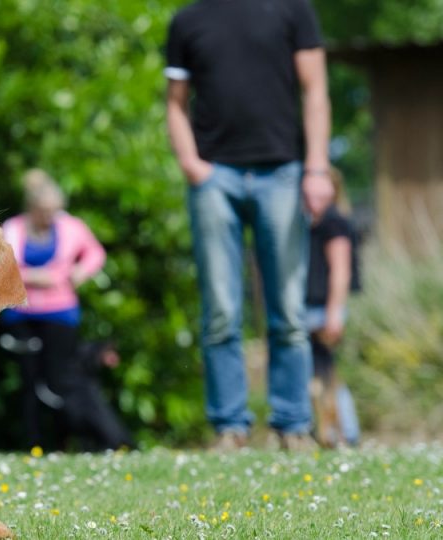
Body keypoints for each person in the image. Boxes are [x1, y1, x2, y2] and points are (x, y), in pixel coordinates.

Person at [165, 0, 335, 450]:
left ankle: (293, 424)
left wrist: (316, 167)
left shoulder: (293, 10)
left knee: (288, 311)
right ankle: (230, 428)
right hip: (214, 177)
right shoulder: (188, 20)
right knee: (221, 310)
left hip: (280, 172)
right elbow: (176, 104)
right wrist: (192, 165)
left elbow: (315, 88)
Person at [0, 169, 106, 450]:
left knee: (60, 382)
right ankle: (34, 444)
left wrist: (79, 272)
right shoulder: (13, 228)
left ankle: (66, 442)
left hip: (61, 314)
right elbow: (1, 267)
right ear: (31, 208)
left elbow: (96, 253)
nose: (49, 217)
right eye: (43, 211)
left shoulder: (71, 227)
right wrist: (36, 277)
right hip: (21, 314)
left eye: (53, 211)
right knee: (30, 382)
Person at [305, 167, 361, 447]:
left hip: (321, 310)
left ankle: (345, 433)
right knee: (318, 376)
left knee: (326, 377)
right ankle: (328, 433)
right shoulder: (313, 223)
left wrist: (333, 313)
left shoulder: (333, 222)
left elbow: (341, 271)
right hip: (311, 308)